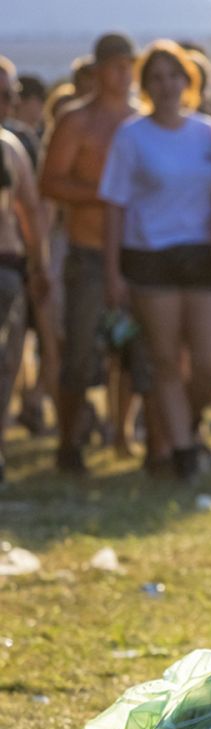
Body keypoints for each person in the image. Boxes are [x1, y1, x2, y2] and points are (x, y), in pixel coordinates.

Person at [98, 42, 211, 481]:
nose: (166, 84)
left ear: (188, 80)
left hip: (202, 256)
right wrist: (113, 271)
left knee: (210, 364)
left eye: (174, 75)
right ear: (146, 85)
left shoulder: (209, 131)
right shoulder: (131, 135)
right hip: (149, 257)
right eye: (156, 77)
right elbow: (113, 206)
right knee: (167, 361)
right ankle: (184, 454)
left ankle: (180, 428)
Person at [38, 33, 138, 475]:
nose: (122, 74)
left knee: (136, 354)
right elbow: (50, 182)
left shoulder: (142, 120)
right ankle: (69, 440)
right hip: (89, 250)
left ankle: (124, 433)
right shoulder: (76, 121)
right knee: (79, 353)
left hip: (137, 252)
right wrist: (106, 194)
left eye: (127, 65)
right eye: (114, 66)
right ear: (98, 71)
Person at [0, 109, 51, 484]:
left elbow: (30, 210)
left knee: (6, 364)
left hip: (7, 269)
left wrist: (39, 265)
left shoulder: (9, 147)